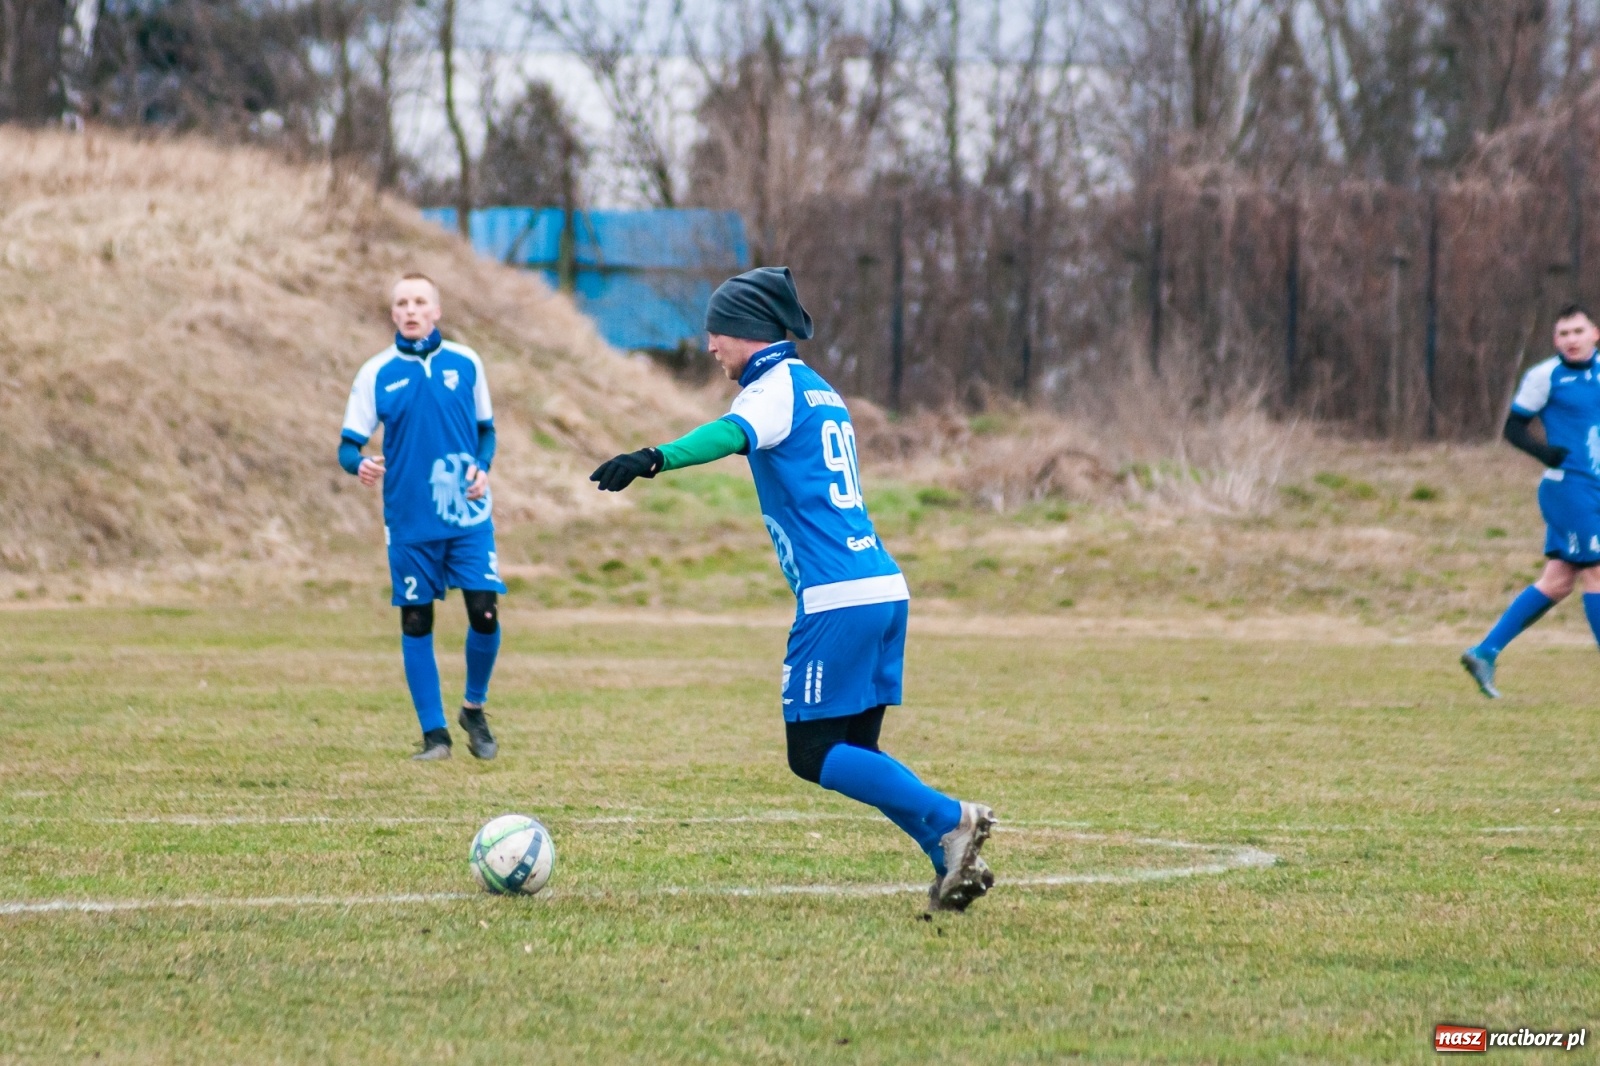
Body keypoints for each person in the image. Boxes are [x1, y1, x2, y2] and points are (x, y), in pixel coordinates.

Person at [589, 266, 995, 912]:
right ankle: (948, 858)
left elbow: (730, 435)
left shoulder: (771, 389)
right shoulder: (819, 390)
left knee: (811, 753)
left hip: (837, 600)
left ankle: (951, 817)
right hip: (882, 587)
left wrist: (653, 457)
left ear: (747, 331)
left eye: (715, 332)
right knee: (857, 752)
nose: (710, 347)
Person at [339, 273, 506, 760]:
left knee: (485, 610)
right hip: (409, 519)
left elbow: (486, 432)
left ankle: (473, 709)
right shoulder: (376, 373)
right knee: (416, 620)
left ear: (436, 310)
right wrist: (361, 463)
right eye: (401, 303)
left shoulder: (467, 362)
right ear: (393, 314)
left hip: (468, 513)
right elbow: (348, 446)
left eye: (419, 302)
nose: (410, 310)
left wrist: (483, 465)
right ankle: (435, 737)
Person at [1462, 303, 1600, 698]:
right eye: (1563, 334)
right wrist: (1545, 453)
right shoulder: (1545, 376)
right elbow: (1513, 427)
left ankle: (1484, 652)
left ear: (1595, 334)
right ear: (1556, 340)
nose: (1571, 340)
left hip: (1595, 488)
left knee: (1557, 583)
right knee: (1597, 573)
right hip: (1567, 489)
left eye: (1578, 331)